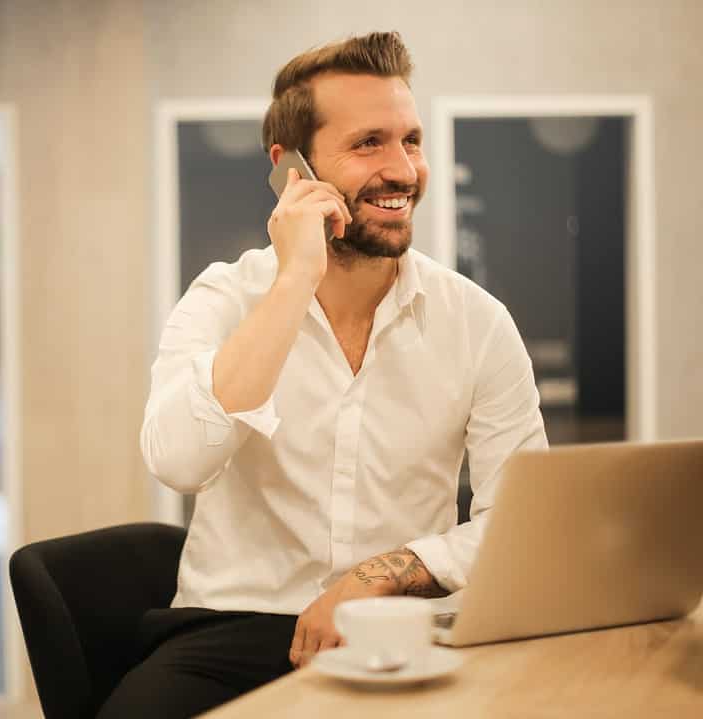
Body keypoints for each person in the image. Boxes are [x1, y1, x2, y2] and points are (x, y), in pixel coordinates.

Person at [98, 30, 547, 719]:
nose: (403, 169)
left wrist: (377, 575)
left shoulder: (478, 323)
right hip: (230, 630)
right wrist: (294, 280)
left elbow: (517, 522)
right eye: (369, 143)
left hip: (405, 629)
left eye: (412, 140)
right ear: (292, 169)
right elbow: (179, 461)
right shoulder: (223, 298)